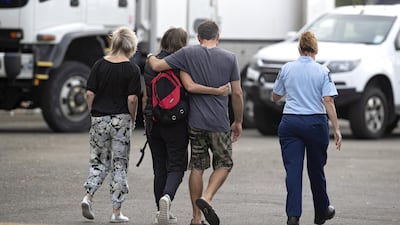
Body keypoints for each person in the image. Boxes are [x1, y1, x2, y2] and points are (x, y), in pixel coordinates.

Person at [147, 20, 243, 225]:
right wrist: (238, 121)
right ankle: (207, 197)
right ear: (218, 35)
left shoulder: (187, 54)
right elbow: (237, 93)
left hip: (196, 123)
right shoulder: (230, 58)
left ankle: (196, 218)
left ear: (198, 38)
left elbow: (156, 65)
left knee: (197, 167)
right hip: (219, 123)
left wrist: (148, 55)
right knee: (224, 163)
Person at [271, 31, 342, 225]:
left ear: (299, 48)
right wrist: (336, 128)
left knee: (293, 170)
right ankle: (321, 211)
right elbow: (328, 101)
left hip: (290, 122)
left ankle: (293, 215)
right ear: (316, 50)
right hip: (315, 123)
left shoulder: (286, 68)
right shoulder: (322, 71)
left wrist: (284, 93)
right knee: (316, 169)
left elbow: (275, 96)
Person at [80, 26, 141, 223]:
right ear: (131, 45)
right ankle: (116, 212)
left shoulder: (99, 65)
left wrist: (93, 112)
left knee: (98, 162)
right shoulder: (132, 69)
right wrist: (133, 118)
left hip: (99, 119)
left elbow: (90, 93)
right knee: (119, 165)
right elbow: (132, 99)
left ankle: (88, 197)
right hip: (120, 120)